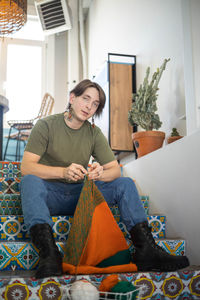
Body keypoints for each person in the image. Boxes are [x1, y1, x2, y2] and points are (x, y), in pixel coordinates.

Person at [20, 79, 189, 279]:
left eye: (95, 104)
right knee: (29, 182)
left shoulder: (93, 133)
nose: (89, 107)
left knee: (125, 183)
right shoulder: (46, 125)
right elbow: (26, 167)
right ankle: (50, 255)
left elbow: (115, 171)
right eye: (85, 99)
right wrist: (63, 172)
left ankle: (147, 251)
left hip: (81, 195)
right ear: (72, 98)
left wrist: (100, 173)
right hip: (50, 195)